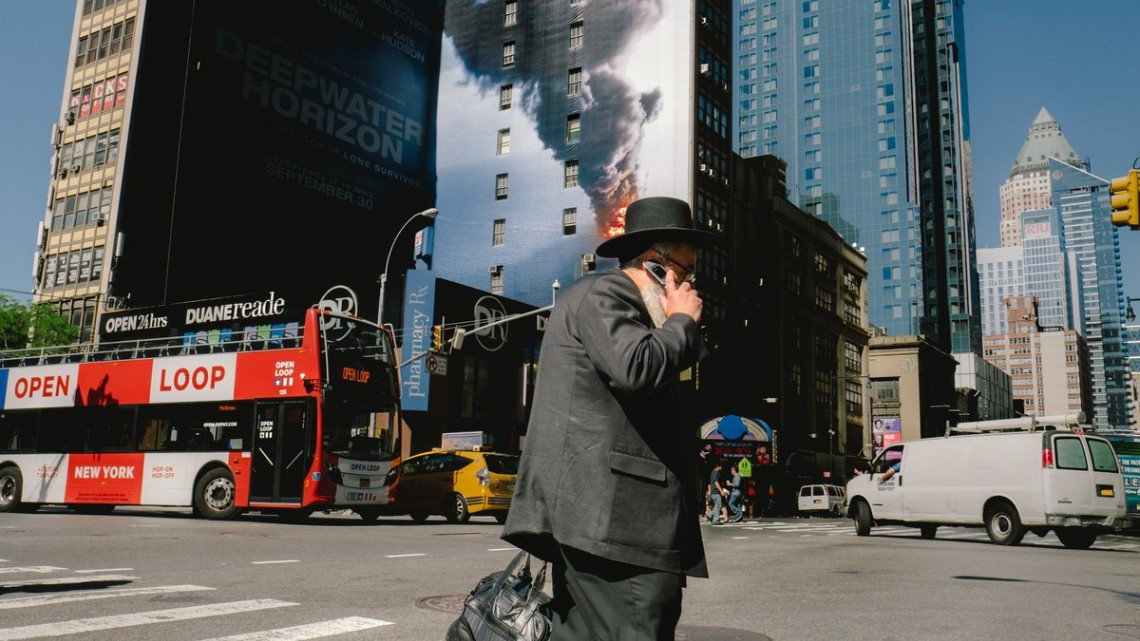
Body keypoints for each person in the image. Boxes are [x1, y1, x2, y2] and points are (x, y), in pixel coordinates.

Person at [502, 196, 717, 641]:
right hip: (612, 524)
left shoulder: (637, 312)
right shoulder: (607, 293)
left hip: (609, 525)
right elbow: (635, 368)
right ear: (656, 265)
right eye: (686, 271)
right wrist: (681, 322)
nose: (691, 285)